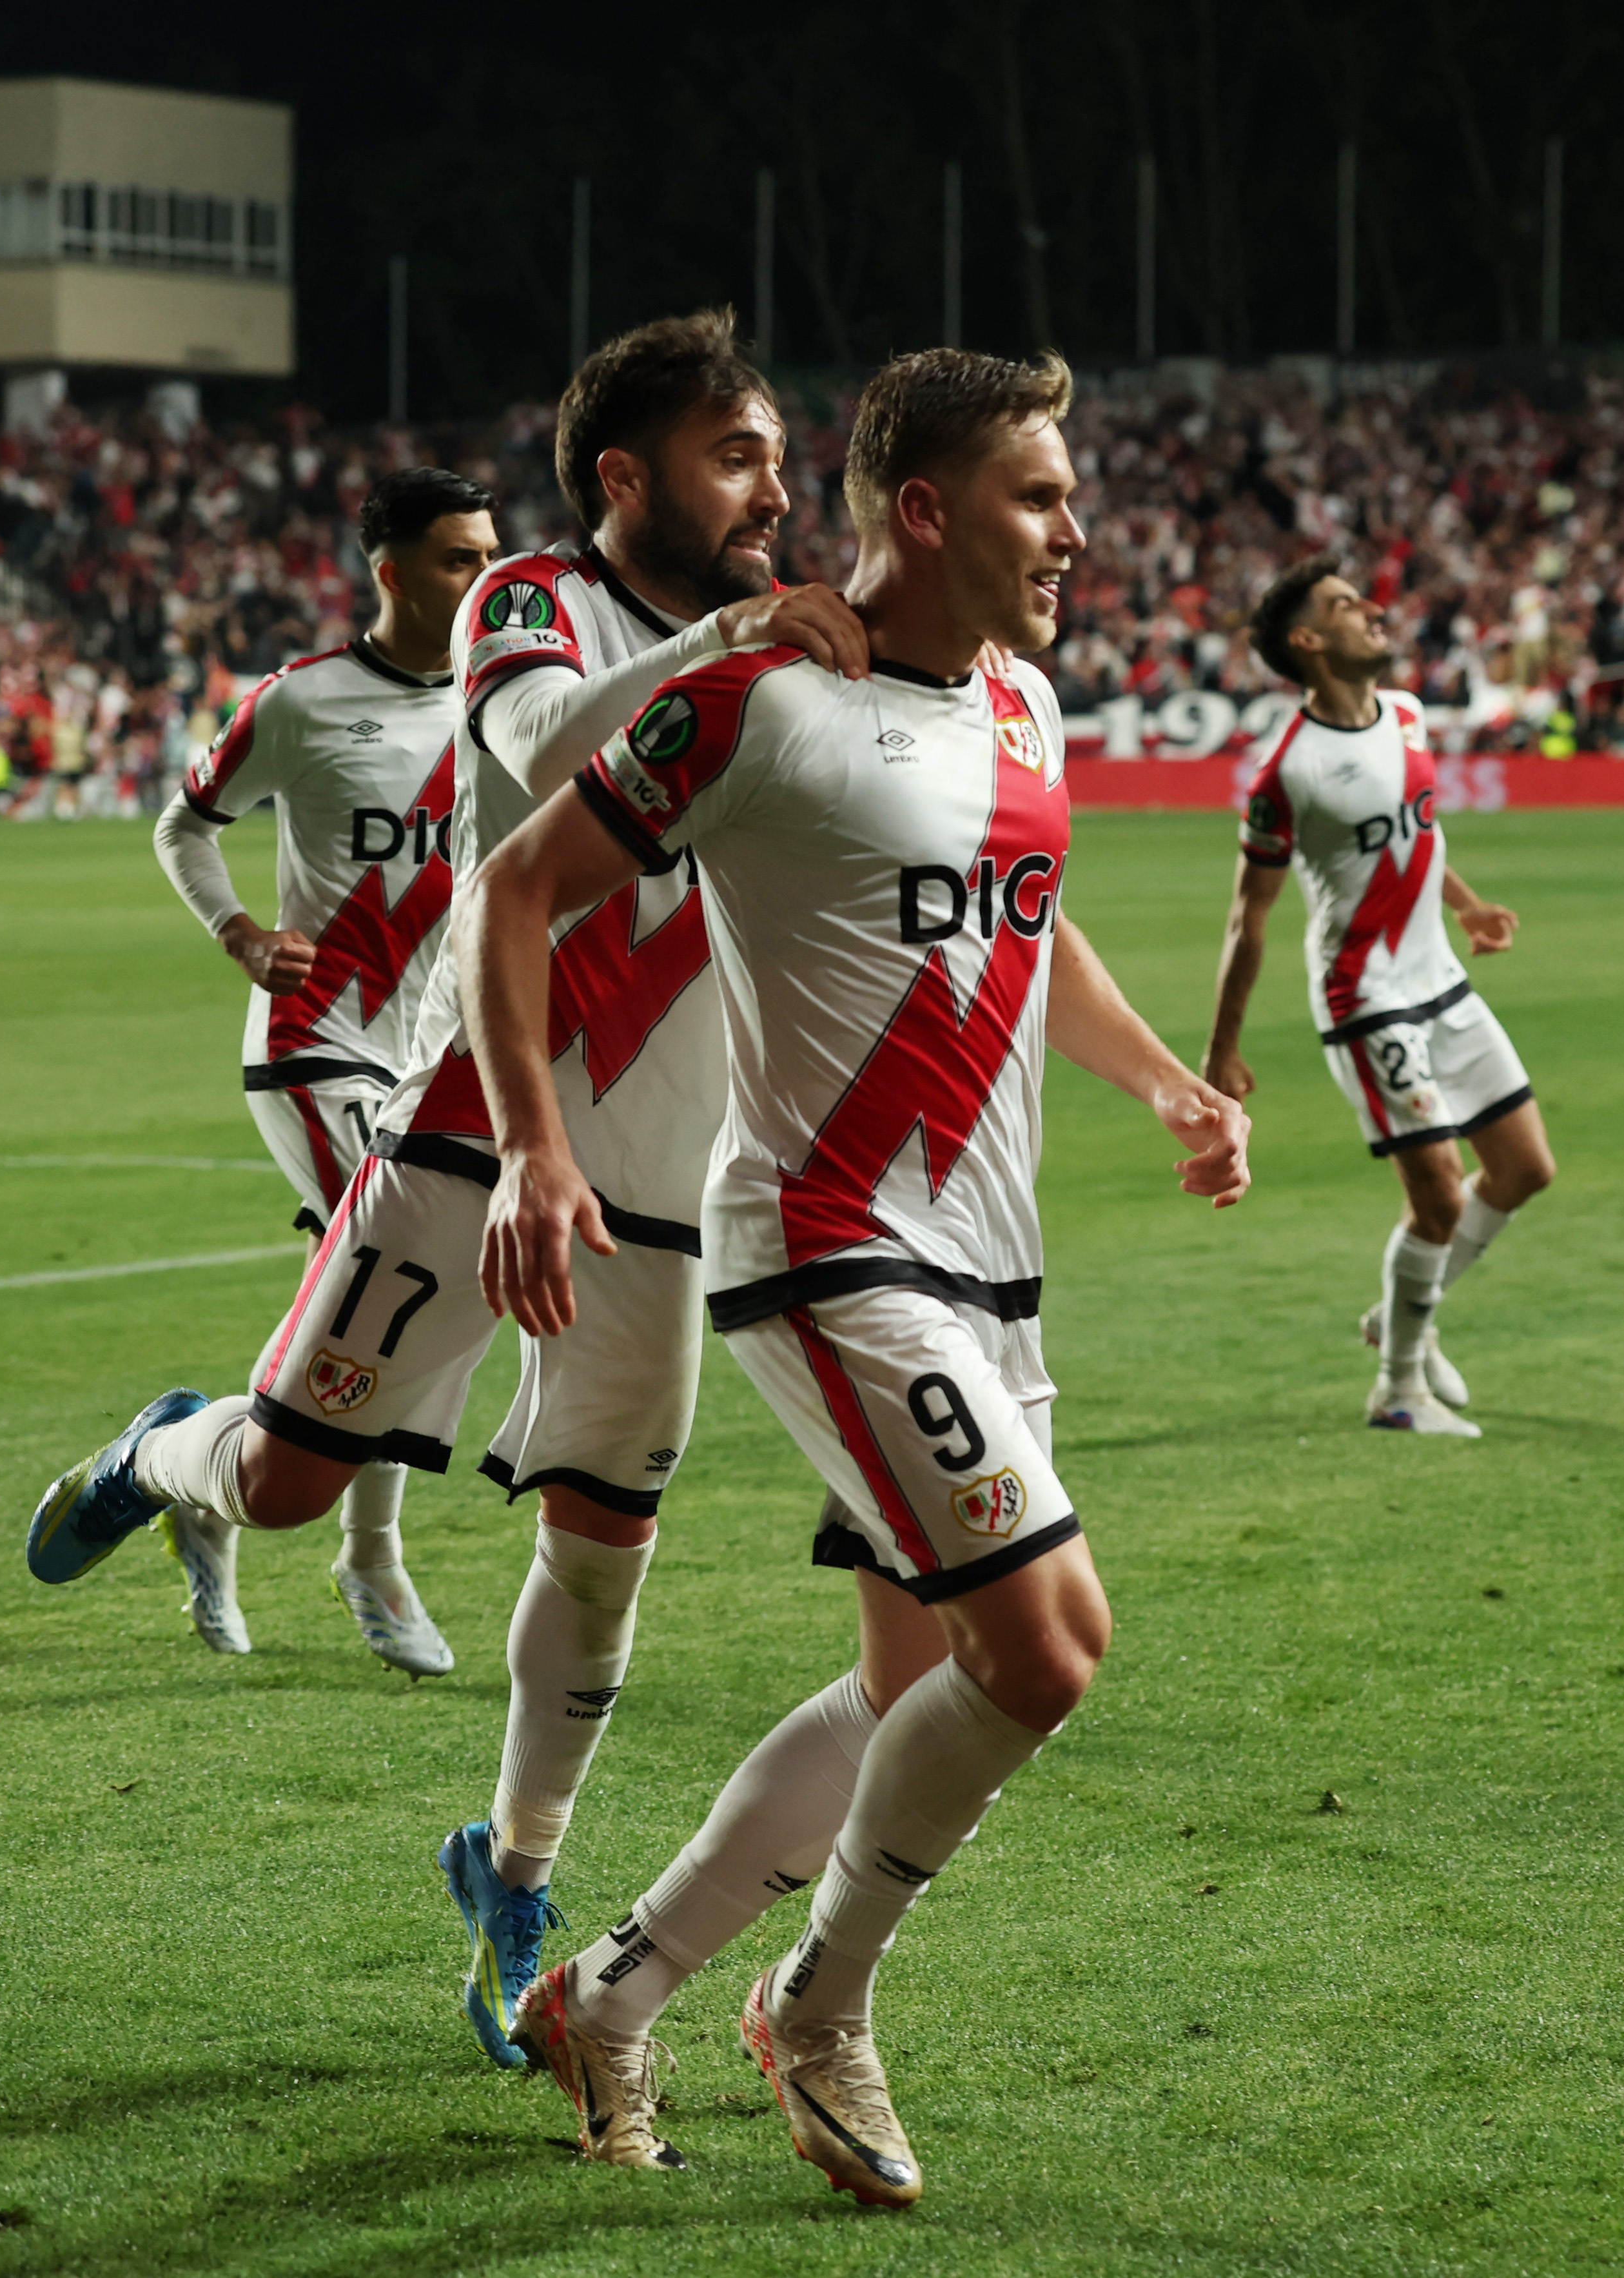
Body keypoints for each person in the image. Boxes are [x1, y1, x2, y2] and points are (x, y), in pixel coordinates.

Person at [20, 313, 868, 2070]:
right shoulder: (534, 602)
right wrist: (725, 643)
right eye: (740, 452)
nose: (779, 485)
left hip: (666, 1168)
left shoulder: (799, 654)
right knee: (277, 1478)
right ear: (625, 474)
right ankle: (156, 1448)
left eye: (786, 453)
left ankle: (516, 1866)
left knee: (608, 1536)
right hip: (480, 1122)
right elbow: (560, 755)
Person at [474, 348, 1251, 2201]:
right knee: (1051, 1647)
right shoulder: (764, 697)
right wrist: (533, 1140)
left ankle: (615, 1988)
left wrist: (1169, 1084)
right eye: (1041, 497)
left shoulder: (1030, 707)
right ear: (923, 508)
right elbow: (516, 884)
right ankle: (818, 2001)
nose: (1077, 529)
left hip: (992, 1267)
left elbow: (1028, 932)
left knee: (922, 1677)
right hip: (830, 1249)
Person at [140, 464, 500, 1665]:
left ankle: (200, 1478)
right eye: (458, 558)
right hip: (316, 1046)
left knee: (363, 1309)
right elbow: (184, 821)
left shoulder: (509, 706)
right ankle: (372, 1559)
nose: (480, 581)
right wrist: (239, 931)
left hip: (431, 1058)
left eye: (490, 556)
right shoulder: (302, 700)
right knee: (406, 1286)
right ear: (390, 570)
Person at [1200, 558, 1558, 1436]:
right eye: (1343, 605)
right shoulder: (1286, 771)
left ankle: (1405, 1314)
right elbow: (1250, 918)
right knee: (1437, 1195)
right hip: (1366, 998)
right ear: (1308, 643)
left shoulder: (1407, 714)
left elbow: (1415, 835)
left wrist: (1468, 906)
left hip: (1441, 979)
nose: (1370, 611)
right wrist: (1222, 1048)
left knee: (1524, 1169)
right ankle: (1398, 1390)